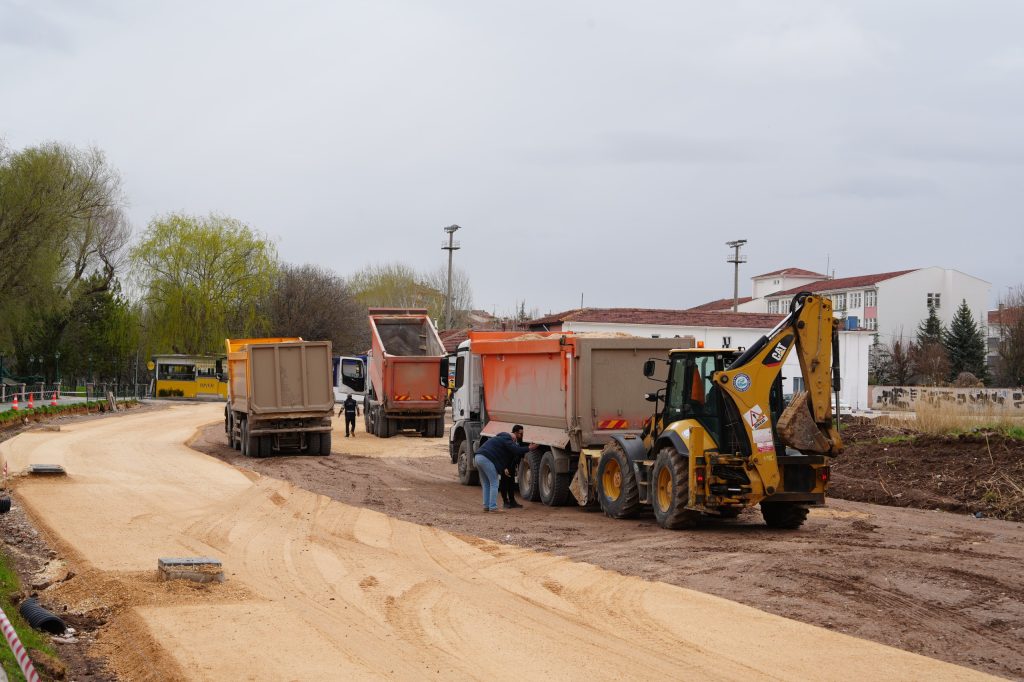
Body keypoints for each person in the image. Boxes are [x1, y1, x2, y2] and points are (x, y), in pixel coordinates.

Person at [473, 432, 537, 513]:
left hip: (478, 457)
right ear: (512, 439)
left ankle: (486, 506)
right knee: (494, 483)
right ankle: (493, 507)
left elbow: (500, 456)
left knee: (486, 483)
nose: (514, 443)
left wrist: (504, 468)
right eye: (514, 441)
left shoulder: (498, 439)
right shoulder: (507, 439)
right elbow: (516, 450)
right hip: (486, 459)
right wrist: (529, 448)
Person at [499, 425, 527, 508]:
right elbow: (502, 454)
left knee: (511, 483)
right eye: (520, 433)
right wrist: (504, 467)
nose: (521, 435)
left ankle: (512, 501)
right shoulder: (507, 440)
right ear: (515, 432)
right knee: (504, 483)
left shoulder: (519, 441)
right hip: (505, 465)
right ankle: (505, 502)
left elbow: (520, 451)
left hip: (512, 465)